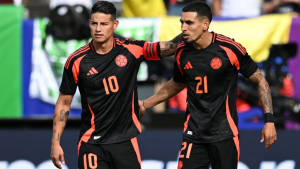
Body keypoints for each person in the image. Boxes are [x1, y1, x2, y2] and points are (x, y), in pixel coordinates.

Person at [139, 1, 277, 169]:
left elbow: (260, 80)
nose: (183, 27)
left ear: (205, 24)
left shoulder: (229, 49)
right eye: (181, 22)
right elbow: (178, 83)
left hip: (225, 134)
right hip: (193, 134)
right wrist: (146, 104)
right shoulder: (182, 51)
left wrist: (269, 120)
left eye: (189, 23)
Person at [50, 1, 182, 169]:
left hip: (125, 142)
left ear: (115, 24)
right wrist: (55, 142)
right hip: (92, 143)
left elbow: (171, 47)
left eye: (104, 24)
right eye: (95, 23)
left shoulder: (132, 49)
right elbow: (64, 102)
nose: (98, 29)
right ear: (89, 23)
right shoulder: (76, 60)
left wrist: (191, 31)